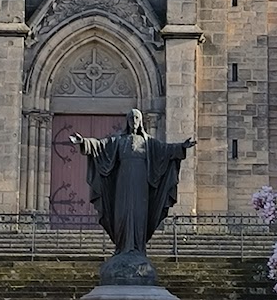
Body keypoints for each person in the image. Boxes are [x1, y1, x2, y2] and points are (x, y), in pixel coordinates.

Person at [70, 109, 195, 255]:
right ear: (127, 121)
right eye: (131, 118)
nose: (134, 121)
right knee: (122, 212)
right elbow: (100, 145)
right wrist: (84, 142)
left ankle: (138, 247)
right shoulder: (119, 140)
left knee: (139, 213)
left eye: (136, 118)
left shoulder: (149, 143)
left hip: (140, 183)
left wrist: (181, 147)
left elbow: (165, 150)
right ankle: (122, 247)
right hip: (122, 182)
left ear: (141, 121)